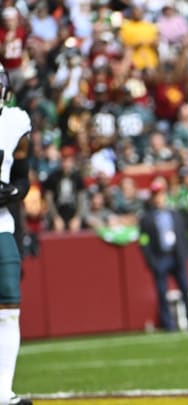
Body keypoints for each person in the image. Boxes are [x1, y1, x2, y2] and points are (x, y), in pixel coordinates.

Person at [0, 64, 33, 405]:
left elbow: (23, 177)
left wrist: (12, 193)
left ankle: (3, 393)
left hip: (1, 225)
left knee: (9, 307)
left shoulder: (15, 122)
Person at [138, 178, 188, 332]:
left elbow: (183, 235)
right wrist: (151, 261)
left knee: (185, 290)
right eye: (156, 195)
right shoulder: (146, 218)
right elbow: (143, 241)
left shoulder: (175, 214)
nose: (159, 198)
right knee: (162, 292)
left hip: (176, 256)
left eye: (161, 195)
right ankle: (169, 324)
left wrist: (184, 255)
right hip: (161, 257)